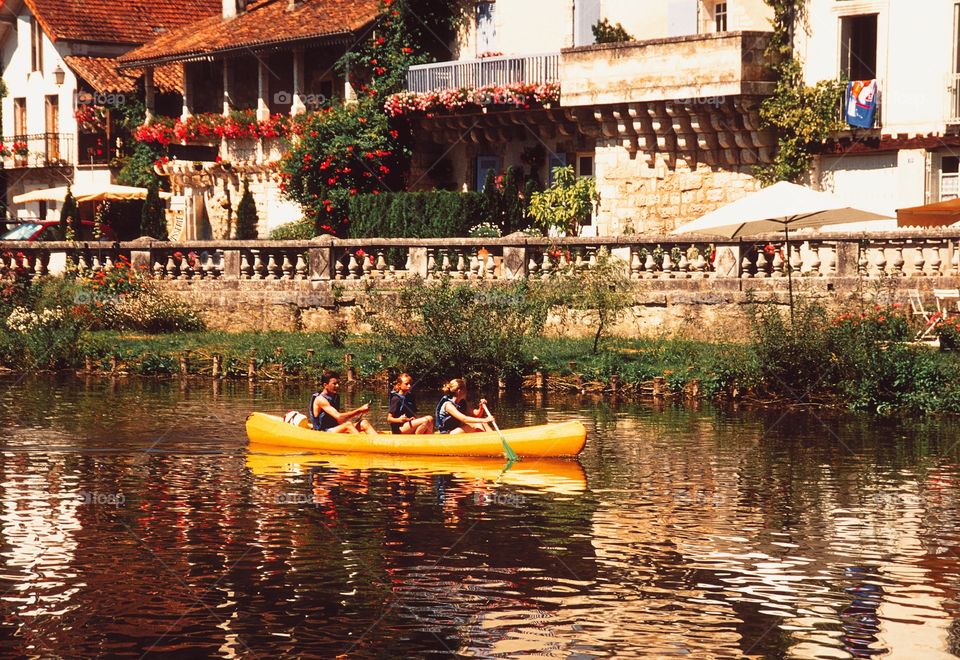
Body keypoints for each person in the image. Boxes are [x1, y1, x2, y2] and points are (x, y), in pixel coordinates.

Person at [308, 371, 377, 435]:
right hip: (323, 432)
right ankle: (363, 446)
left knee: (364, 423)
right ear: (325, 385)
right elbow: (339, 417)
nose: (337, 386)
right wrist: (360, 410)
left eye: (338, 383)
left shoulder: (335, 397)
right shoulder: (320, 399)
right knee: (348, 425)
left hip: (335, 428)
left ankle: (379, 444)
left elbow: (338, 420)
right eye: (334, 384)